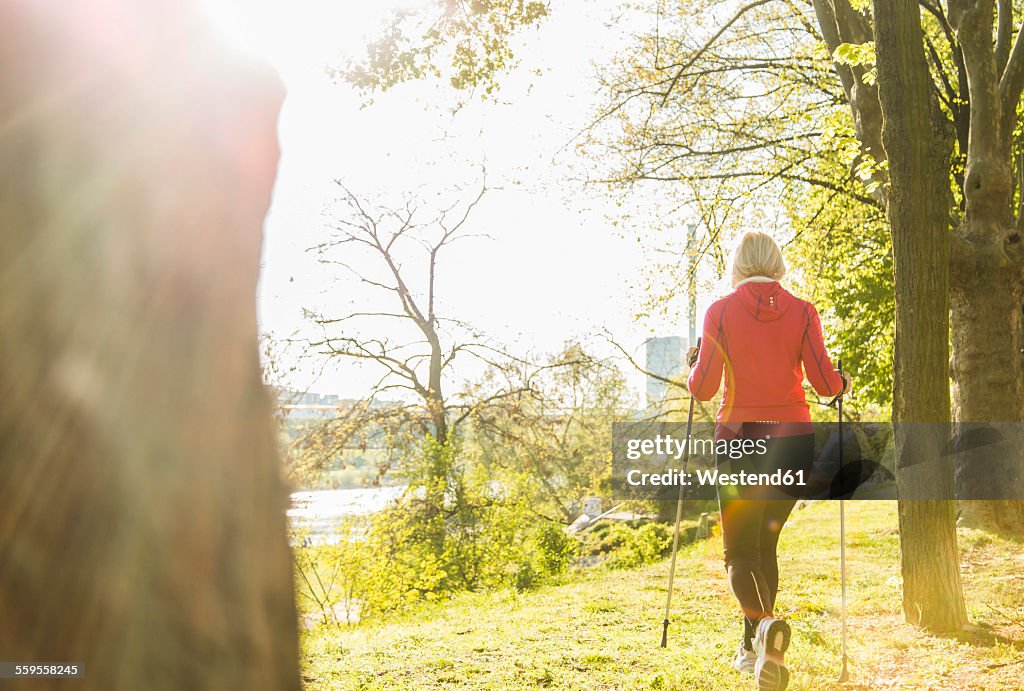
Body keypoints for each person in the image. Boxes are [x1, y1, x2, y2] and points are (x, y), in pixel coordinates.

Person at [685, 231, 850, 691]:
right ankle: (757, 648)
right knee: (765, 547)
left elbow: (702, 389)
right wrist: (842, 380)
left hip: (741, 437)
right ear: (777, 264)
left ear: (738, 266)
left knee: (740, 551)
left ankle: (762, 631)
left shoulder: (719, 311)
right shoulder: (802, 311)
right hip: (794, 439)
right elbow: (824, 384)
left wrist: (693, 363)